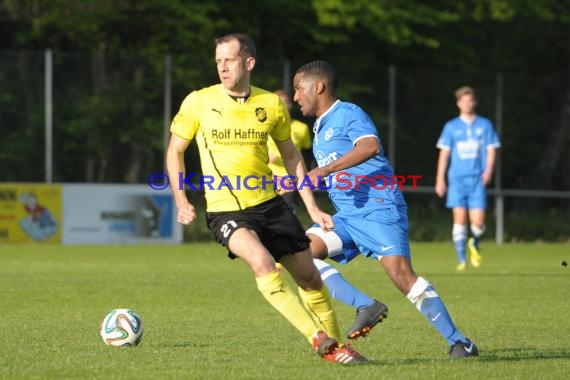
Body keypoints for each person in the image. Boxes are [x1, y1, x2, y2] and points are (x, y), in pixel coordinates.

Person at [166, 34, 366, 364]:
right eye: (218, 61)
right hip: (226, 210)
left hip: (271, 205)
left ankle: (337, 349)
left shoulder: (270, 105)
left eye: (228, 60)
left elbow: (292, 158)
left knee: (310, 278)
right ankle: (317, 337)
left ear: (249, 63)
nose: (222, 67)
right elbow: (176, 150)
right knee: (261, 262)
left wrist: (312, 207)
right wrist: (181, 199)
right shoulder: (198, 101)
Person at [293, 60, 479, 358]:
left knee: (401, 274)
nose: (296, 97)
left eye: (299, 89)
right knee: (298, 253)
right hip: (348, 216)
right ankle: (366, 305)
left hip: (378, 207)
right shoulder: (320, 126)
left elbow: (370, 147)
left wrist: (324, 170)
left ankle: (460, 342)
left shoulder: (348, 113)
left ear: (319, 87)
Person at [435, 86, 501, 271]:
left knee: (478, 222)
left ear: (475, 102)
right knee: (459, 220)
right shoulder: (451, 126)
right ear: (458, 103)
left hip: (477, 180)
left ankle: (475, 242)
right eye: (463, 100)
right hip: (456, 179)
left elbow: (491, 149)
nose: (467, 103)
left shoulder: (485, 125)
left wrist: (488, 170)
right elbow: (444, 154)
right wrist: (440, 179)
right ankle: (462, 260)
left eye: (470, 100)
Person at [267, 90, 312, 209]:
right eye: (279, 102)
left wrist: (304, 178)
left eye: (286, 102)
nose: (283, 105)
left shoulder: (302, 128)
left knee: (286, 213)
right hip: (267, 178)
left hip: (290, 179)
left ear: (291, 105)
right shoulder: (265, 127)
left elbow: (306, 155)